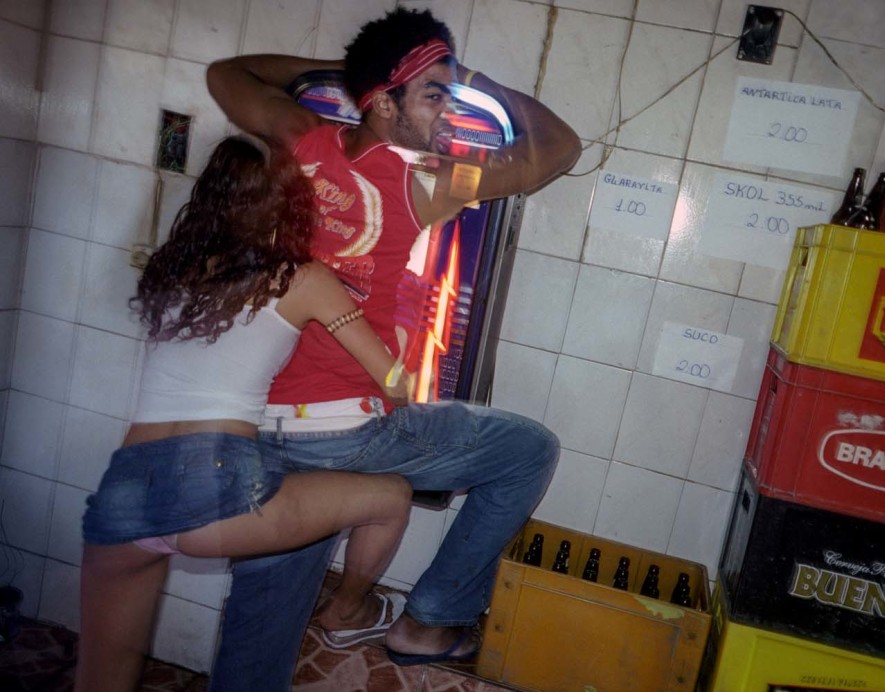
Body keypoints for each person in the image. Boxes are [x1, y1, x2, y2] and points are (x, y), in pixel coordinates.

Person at [204, 6, 581, 687]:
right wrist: (479, 80)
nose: (449, 107)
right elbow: (558, 148)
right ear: (382, 103)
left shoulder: (298, 136)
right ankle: (428, 619)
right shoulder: (425, 182)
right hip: (347, 432)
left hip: (260, 420)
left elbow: (227, 74)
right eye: (435, 93)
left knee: (260, 631)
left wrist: (336, 73)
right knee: (530, 450)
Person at [74, 137, 416, 692]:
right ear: (291, 203)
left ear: (214, 194)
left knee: (99, 682)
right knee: (393, 496)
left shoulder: (174, 267)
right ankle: (349, 612)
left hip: (125, 488)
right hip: (215, 487)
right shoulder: (303, 277)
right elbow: (393, 381)